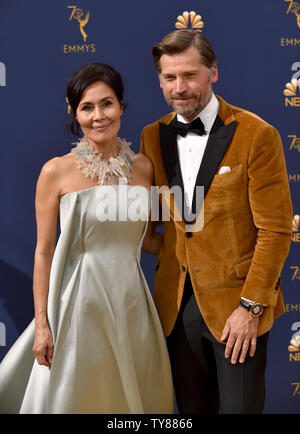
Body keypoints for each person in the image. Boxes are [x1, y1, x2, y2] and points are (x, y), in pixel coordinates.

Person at [0, 62, 173, 414]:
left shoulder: (143, 168)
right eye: (87, 107)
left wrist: (205, 240)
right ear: (75, 112)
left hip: (132, 304)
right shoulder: (56, 171)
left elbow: (146, 240)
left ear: (121, 106)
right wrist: (42, 325)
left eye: (107, 104)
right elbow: (44, 253)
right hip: (78, 305)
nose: (99, 116)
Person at [140, 29, 293, 414]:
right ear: (159, 80)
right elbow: (157, 228)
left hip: (237, 307)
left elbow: (275, 231)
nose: (180, 87)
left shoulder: (257, 135)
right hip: (176, 307)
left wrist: (251, 308)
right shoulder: (151, 136)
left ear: (213, 73)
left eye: (190, 75)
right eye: (169, 77)